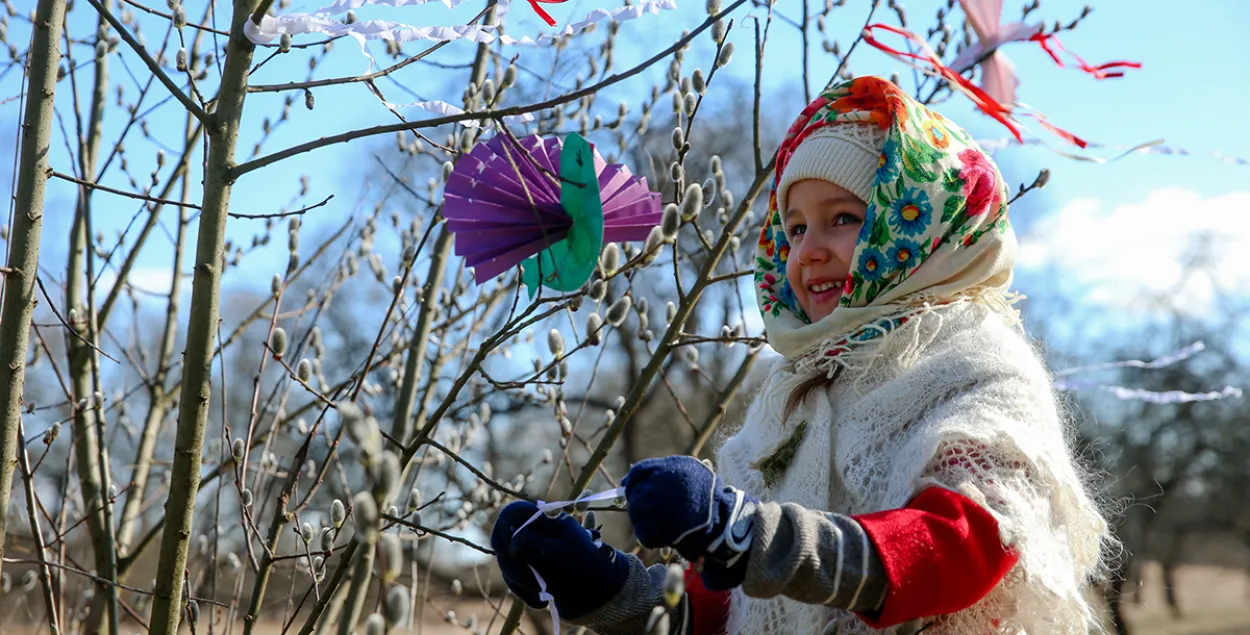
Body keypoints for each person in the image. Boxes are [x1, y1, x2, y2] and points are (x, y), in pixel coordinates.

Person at [490, 76, 1113, 635]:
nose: (807, 250)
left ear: (916, 224)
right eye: (792, 228)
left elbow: (964, 546)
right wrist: (609, 591)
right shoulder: (793, 395)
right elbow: (739, 604)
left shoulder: (975, 366)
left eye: (842, 218)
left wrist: (746, 534)